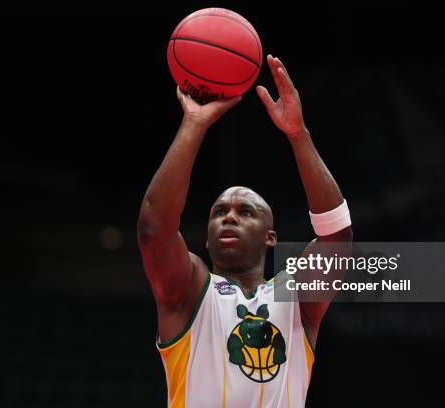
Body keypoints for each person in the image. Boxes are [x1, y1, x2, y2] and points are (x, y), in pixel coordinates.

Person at [137, 55, 353, 407]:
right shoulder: (189, 290)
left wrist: (298, 135)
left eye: (245, 212)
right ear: (206, 238)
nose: (229, 218)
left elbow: (337, 237)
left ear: (270, 236)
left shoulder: (296, 297)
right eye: (219, 212)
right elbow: (153, 230)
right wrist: (194, 123)